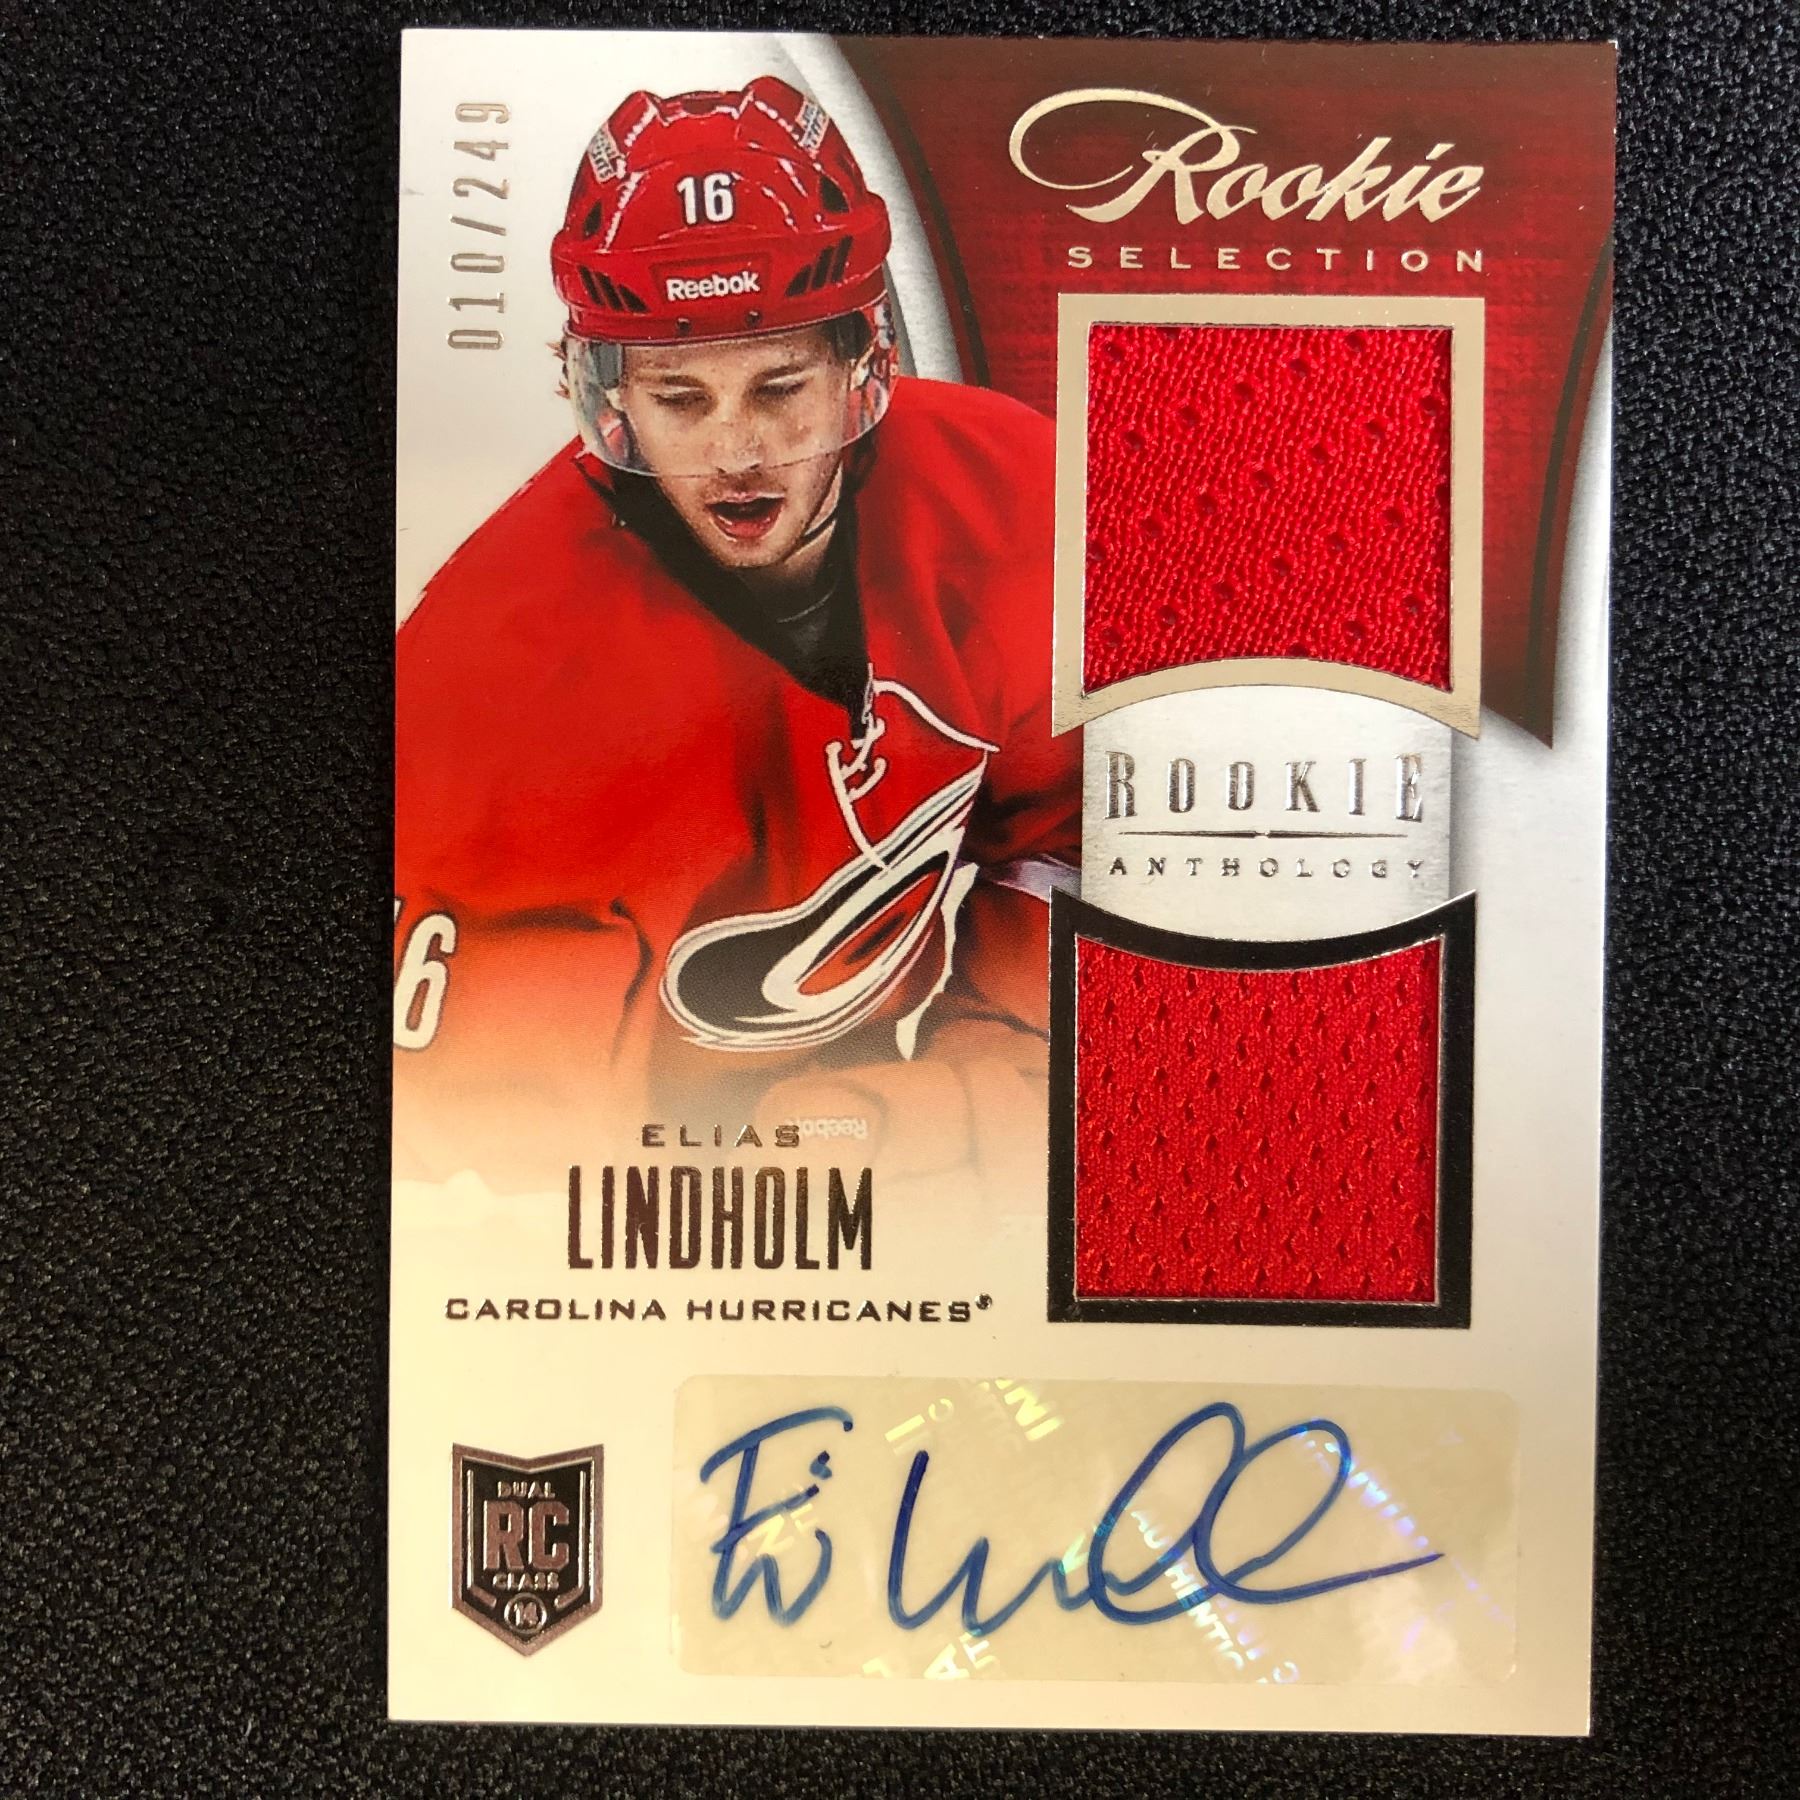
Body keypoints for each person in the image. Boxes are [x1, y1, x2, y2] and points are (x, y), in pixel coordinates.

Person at [394, 78, 1078, 1186]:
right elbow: (503, 1194)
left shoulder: (1009, 495)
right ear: (612, 399)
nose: (737, 454)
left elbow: (1093, 844)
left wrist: (951, 1110)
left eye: (778, 386)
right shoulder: (498, 683)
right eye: (681, 398)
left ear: (861, 363)